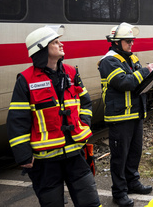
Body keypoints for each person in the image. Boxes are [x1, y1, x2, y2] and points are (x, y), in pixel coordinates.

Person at [7, 25, 101, 207]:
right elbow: (17, 120)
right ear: (42, 48)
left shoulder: (71, 73)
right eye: (55, 42)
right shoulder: (25, 80)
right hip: (45, 162)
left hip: (75, 154)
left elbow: (86, 102)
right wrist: (24, 155)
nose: (61, 44)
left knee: (91, 202)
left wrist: (84, 124)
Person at [98, 22, 153, 207]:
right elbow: (124, 82)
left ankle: (133, 182)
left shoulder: (131, 58)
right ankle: (119, 192)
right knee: (120, 157)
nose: (131, 44)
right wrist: (147, 71)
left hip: (135, 115)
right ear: (116, 42)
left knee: (134, 153)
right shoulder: (109, 61)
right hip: (119, 117)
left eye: (132, 40)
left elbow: (138, 81)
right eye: (128, 41)